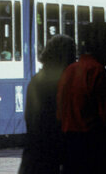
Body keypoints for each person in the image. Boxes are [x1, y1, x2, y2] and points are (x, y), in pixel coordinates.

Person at [57, 30, 106, 174]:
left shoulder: (69, 71)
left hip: (70, 141)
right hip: (93, 143)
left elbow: (59, 107)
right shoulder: (98, 72)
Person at [18, 34, 76, 174]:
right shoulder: (62, 81)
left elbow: (30, 118)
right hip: (54, 153)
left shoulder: (37, 79)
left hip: (35, 153)